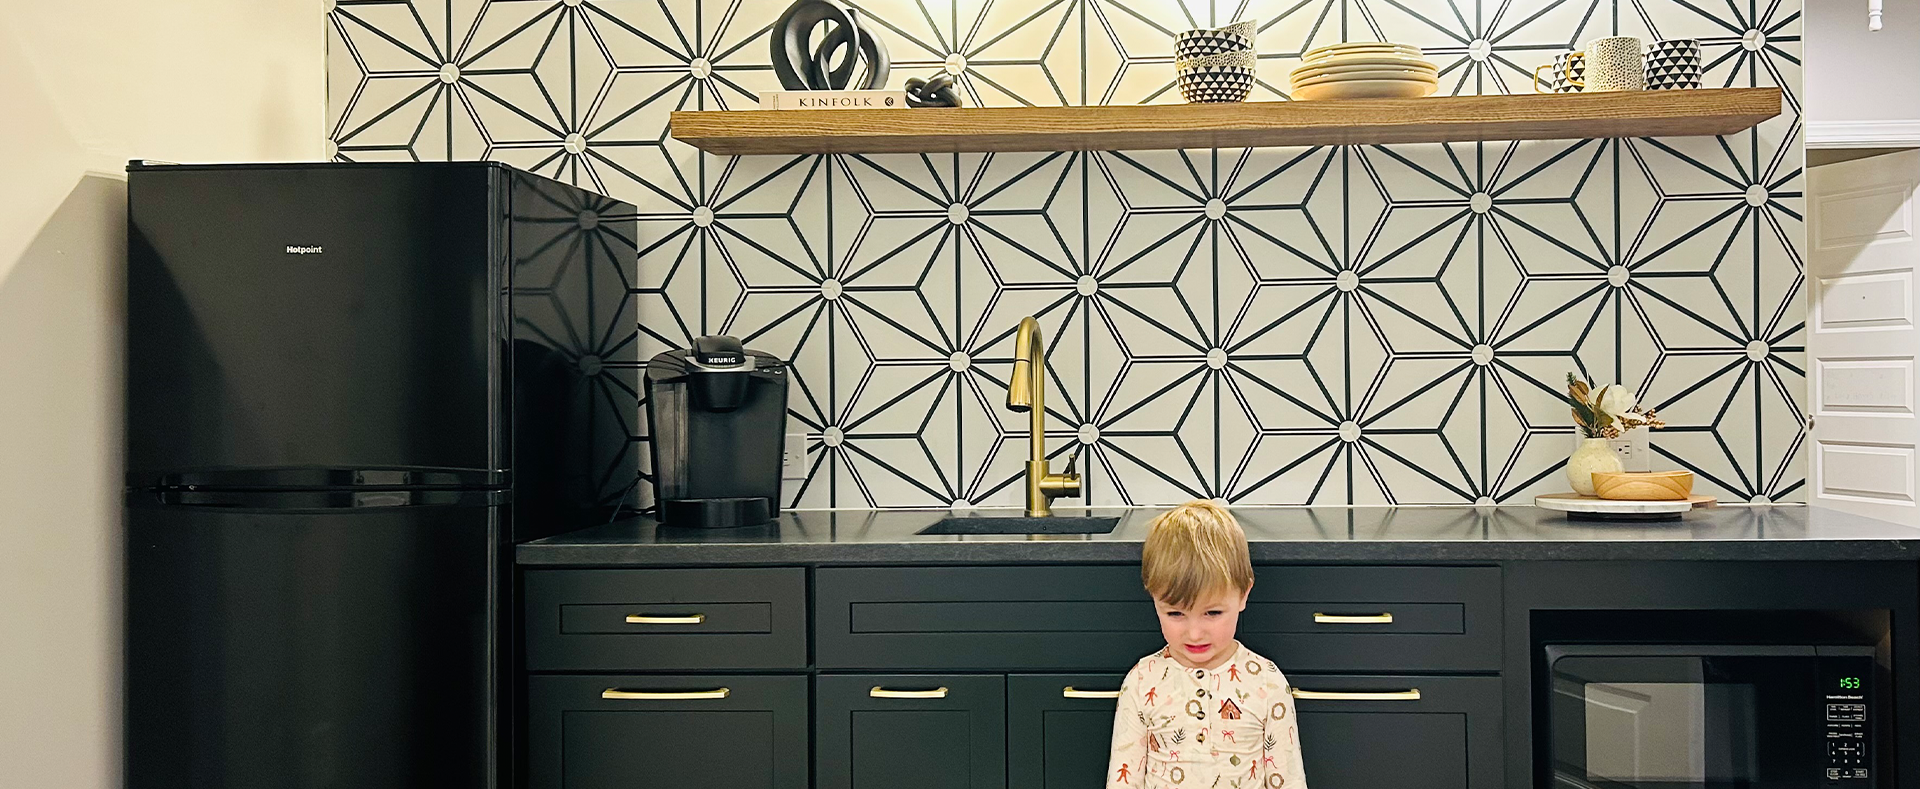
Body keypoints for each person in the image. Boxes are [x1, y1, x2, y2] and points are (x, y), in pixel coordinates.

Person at [1105, 500, 1308, 788]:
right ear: (1154, 599)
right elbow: (1123, 780)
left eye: (1212, 613)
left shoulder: (1268, 682)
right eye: (1175, 614)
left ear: (1243, 594)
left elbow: (1289, 780)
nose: (1195, 633)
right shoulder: (1141, 681)